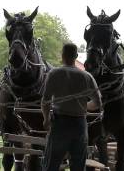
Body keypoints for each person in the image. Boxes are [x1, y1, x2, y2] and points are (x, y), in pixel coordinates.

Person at [41, 43, 102, 171]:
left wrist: (46, 119)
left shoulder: (54, 74)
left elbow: (45, 100)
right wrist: (83, 107)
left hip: (59, 124)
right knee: (78, 166)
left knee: (51, 163)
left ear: (62, 55)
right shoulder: (87, 76)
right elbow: (98, 103)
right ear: (76, 56)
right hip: (79, 125)